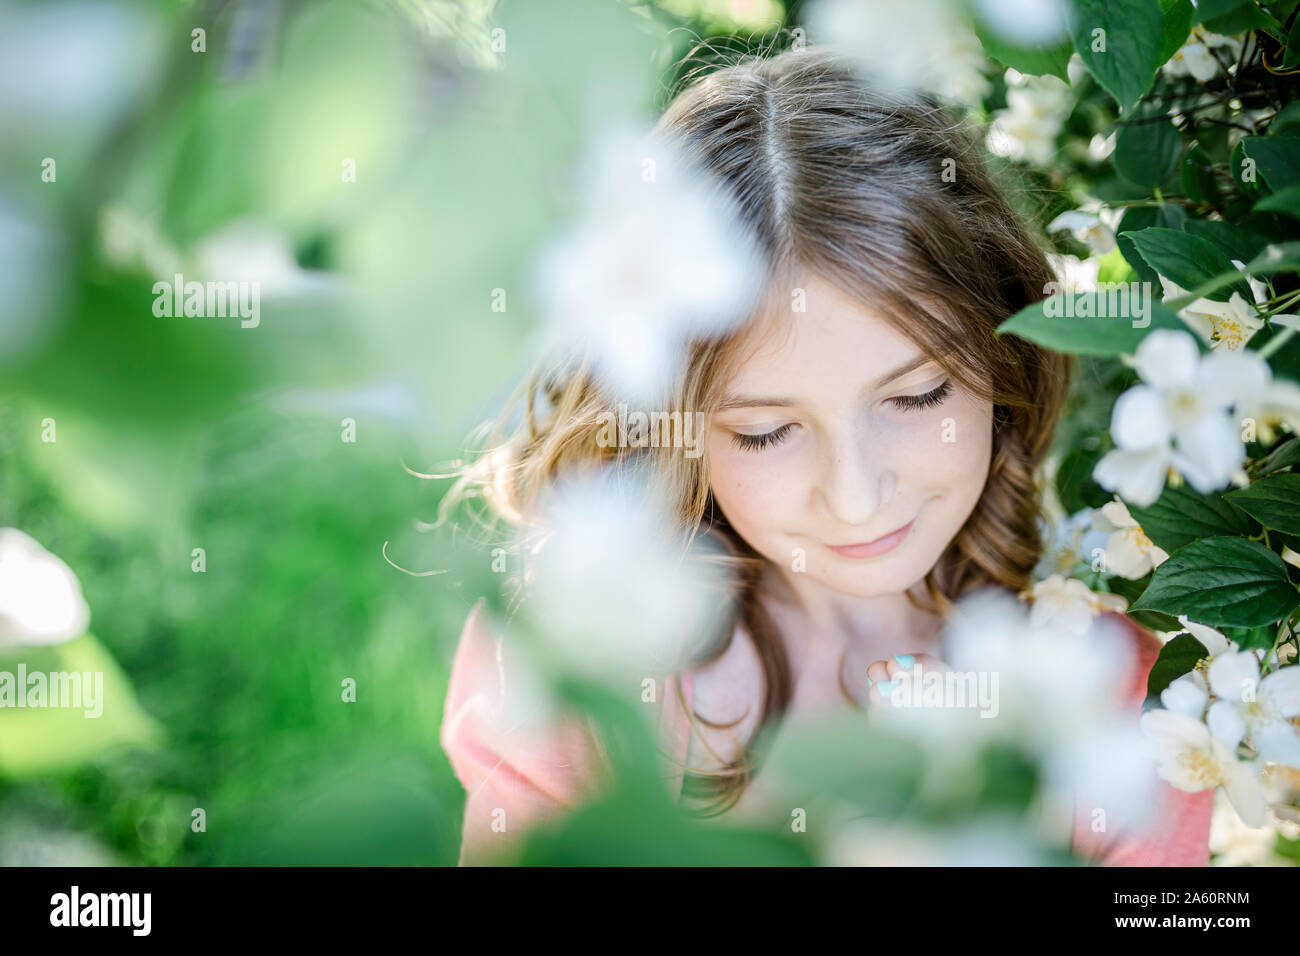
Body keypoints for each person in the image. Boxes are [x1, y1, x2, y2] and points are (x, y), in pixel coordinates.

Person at [437, 47, 1214, 866]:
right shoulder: (580, 650)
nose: (855, 497)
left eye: (917, 397)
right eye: (767, 431)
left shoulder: (1123, 700)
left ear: (1009, 349)